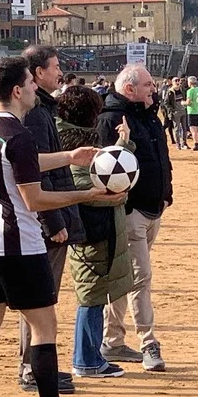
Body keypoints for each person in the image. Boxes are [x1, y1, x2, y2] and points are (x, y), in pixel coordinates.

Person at [0, 57, 114, 397]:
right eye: (29, 82)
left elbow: (19, 163)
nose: (35, 89)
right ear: (17, 90)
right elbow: (34, 198)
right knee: (44, 326)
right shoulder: (19, 134)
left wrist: (69, 157)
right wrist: (87, 194)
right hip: (18, 244)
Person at [17, 45, 86, 393]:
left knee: (43, 297)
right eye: (55, 67)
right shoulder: (34, 113)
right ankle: (32, 369)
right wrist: (53, 221)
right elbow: (36, 172)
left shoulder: (43, 108)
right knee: (39, 299)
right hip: (45, 221)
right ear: (38, 72)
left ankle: (38, 366)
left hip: (49, 216)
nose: (60, 72)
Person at [96, 64, 173, 372]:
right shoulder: (112, 119)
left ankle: (112, 340)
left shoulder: (148, 115)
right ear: (129, 89)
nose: (153, 89)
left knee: (124, 277)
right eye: (148, 85)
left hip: (153, 208)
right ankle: (148, 342)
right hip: (130, 212)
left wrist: (166, 194)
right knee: (141, 278)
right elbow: (106, 169)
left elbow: (161, 158)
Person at [57, 86, 133, 379]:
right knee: (91, 296)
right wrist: (112, 196)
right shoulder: (73, 145)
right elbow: (85, 184)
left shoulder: (73, 139)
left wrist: (122, 144)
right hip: (90, 231)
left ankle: (91, 357)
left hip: (95, 229)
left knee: (95, 295)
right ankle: (86, 359)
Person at [184, 75, 198, 150]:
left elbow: (188, 102)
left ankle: (196, 144)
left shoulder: (190, 91)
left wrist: (183, 103)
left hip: (192, 111)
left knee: (193, 129)